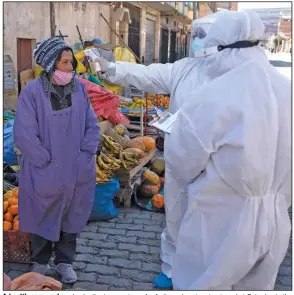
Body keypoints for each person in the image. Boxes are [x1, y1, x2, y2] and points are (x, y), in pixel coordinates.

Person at [95, 10, 291, 290]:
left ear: (220, 44)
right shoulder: (284, 88)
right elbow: (148, 74)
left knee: (207, 271)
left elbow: (186, 159)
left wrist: (192, 176)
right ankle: (169, 267)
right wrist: (111, 68)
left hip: (217, 196)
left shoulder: (219, 92)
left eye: (205, 39)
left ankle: (178, 273)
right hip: (272, 213)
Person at [14, 37, 100, 284]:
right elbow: (24, 133)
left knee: (71, 216)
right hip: (45, 168)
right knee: (42, 213)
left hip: (76, 167)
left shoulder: (79, 89)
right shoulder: (31, 92)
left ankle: (65, 261)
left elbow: (91, 125)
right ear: (52, 64)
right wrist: (43, 163)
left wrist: (86, 154)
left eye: (71, 62)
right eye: (65, 62)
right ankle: (40, 261)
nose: (71, 67)